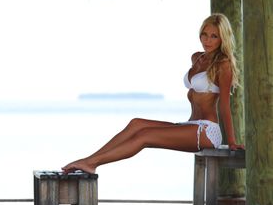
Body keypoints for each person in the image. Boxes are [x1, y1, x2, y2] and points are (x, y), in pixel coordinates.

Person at [62, 13, 245, 175]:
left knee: (145, 136)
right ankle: (89, 160)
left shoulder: (223, 65)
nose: (207, 40)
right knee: (136, 124)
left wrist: (231, 141)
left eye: (214, 36)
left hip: (207, 131)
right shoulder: (197, 57)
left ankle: (91, 163)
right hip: (191, 124)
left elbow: (224, 106)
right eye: (204, 34)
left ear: (223, 38)